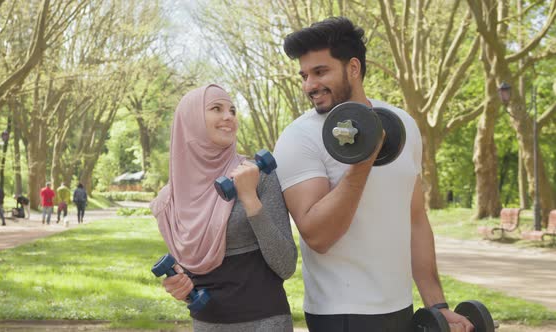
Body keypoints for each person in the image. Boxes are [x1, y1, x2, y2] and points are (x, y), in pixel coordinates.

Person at [273, 17, 474, 332]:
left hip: (400, 308)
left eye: (320, 71)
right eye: (304, 75)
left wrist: (436, 305)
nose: (309, 85)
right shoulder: (297, 138)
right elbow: (317, 236)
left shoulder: (403, 124)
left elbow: (416, 220)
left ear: (353, 68)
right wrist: (363, 160)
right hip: (340, 315)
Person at [150, 84, 297, 331]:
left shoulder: (256, 175)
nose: (228, 116)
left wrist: (250, 199)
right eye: (216, 109)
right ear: (191, 120)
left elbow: (286, 264)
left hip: (265, 322)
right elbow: (193, 270)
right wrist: (183, 288)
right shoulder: (168, 201)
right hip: (208, 324)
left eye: (232, 110)